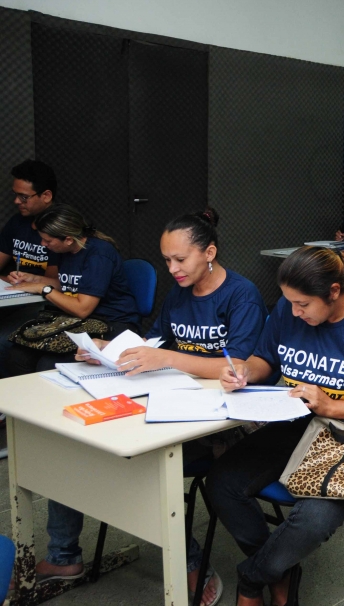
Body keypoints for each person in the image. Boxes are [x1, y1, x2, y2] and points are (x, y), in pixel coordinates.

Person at [39, 208, 267, 604]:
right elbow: (155, 342)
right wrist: (109, 351)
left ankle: (189, 562)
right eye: (166, 260)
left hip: (220, 418)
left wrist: (168, 359)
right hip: (171, 399)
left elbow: (239, 367)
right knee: (74, 443)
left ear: (209, 252)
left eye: (180, 259)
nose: (172, 269)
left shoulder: (241, 295)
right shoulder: (180, 292)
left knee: (143, 467)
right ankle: (63, 555)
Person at [205, 247, 344, 606]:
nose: (294, 312)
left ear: (333, 292)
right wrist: (245, 372)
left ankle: (253, 577)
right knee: (222, 483)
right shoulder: (288, 309)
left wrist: (331, 405)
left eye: (302, 304)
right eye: (290, 302)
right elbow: (265, 359)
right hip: (296, 424)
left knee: (312, 520)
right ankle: (278, 569)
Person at [6, 204, 139, 375]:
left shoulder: (98, 255)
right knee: (17, 356)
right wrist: (34, 279)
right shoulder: (66, 250)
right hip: (80, 322)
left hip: (111, 322)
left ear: (68, 239)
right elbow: (69, 284)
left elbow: (82, 309)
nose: (43, 244)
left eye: (48, 241)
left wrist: (44, 289)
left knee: (49, 364)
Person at [0, 160, 58, 373]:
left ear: (46, 196)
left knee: (3, 340)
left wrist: (29, 281)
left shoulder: (58, 230)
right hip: (12, 298)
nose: (17, 201)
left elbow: (55, 282)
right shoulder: (17, 223)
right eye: (16, 195)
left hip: (42, 304)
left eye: (24, 197)